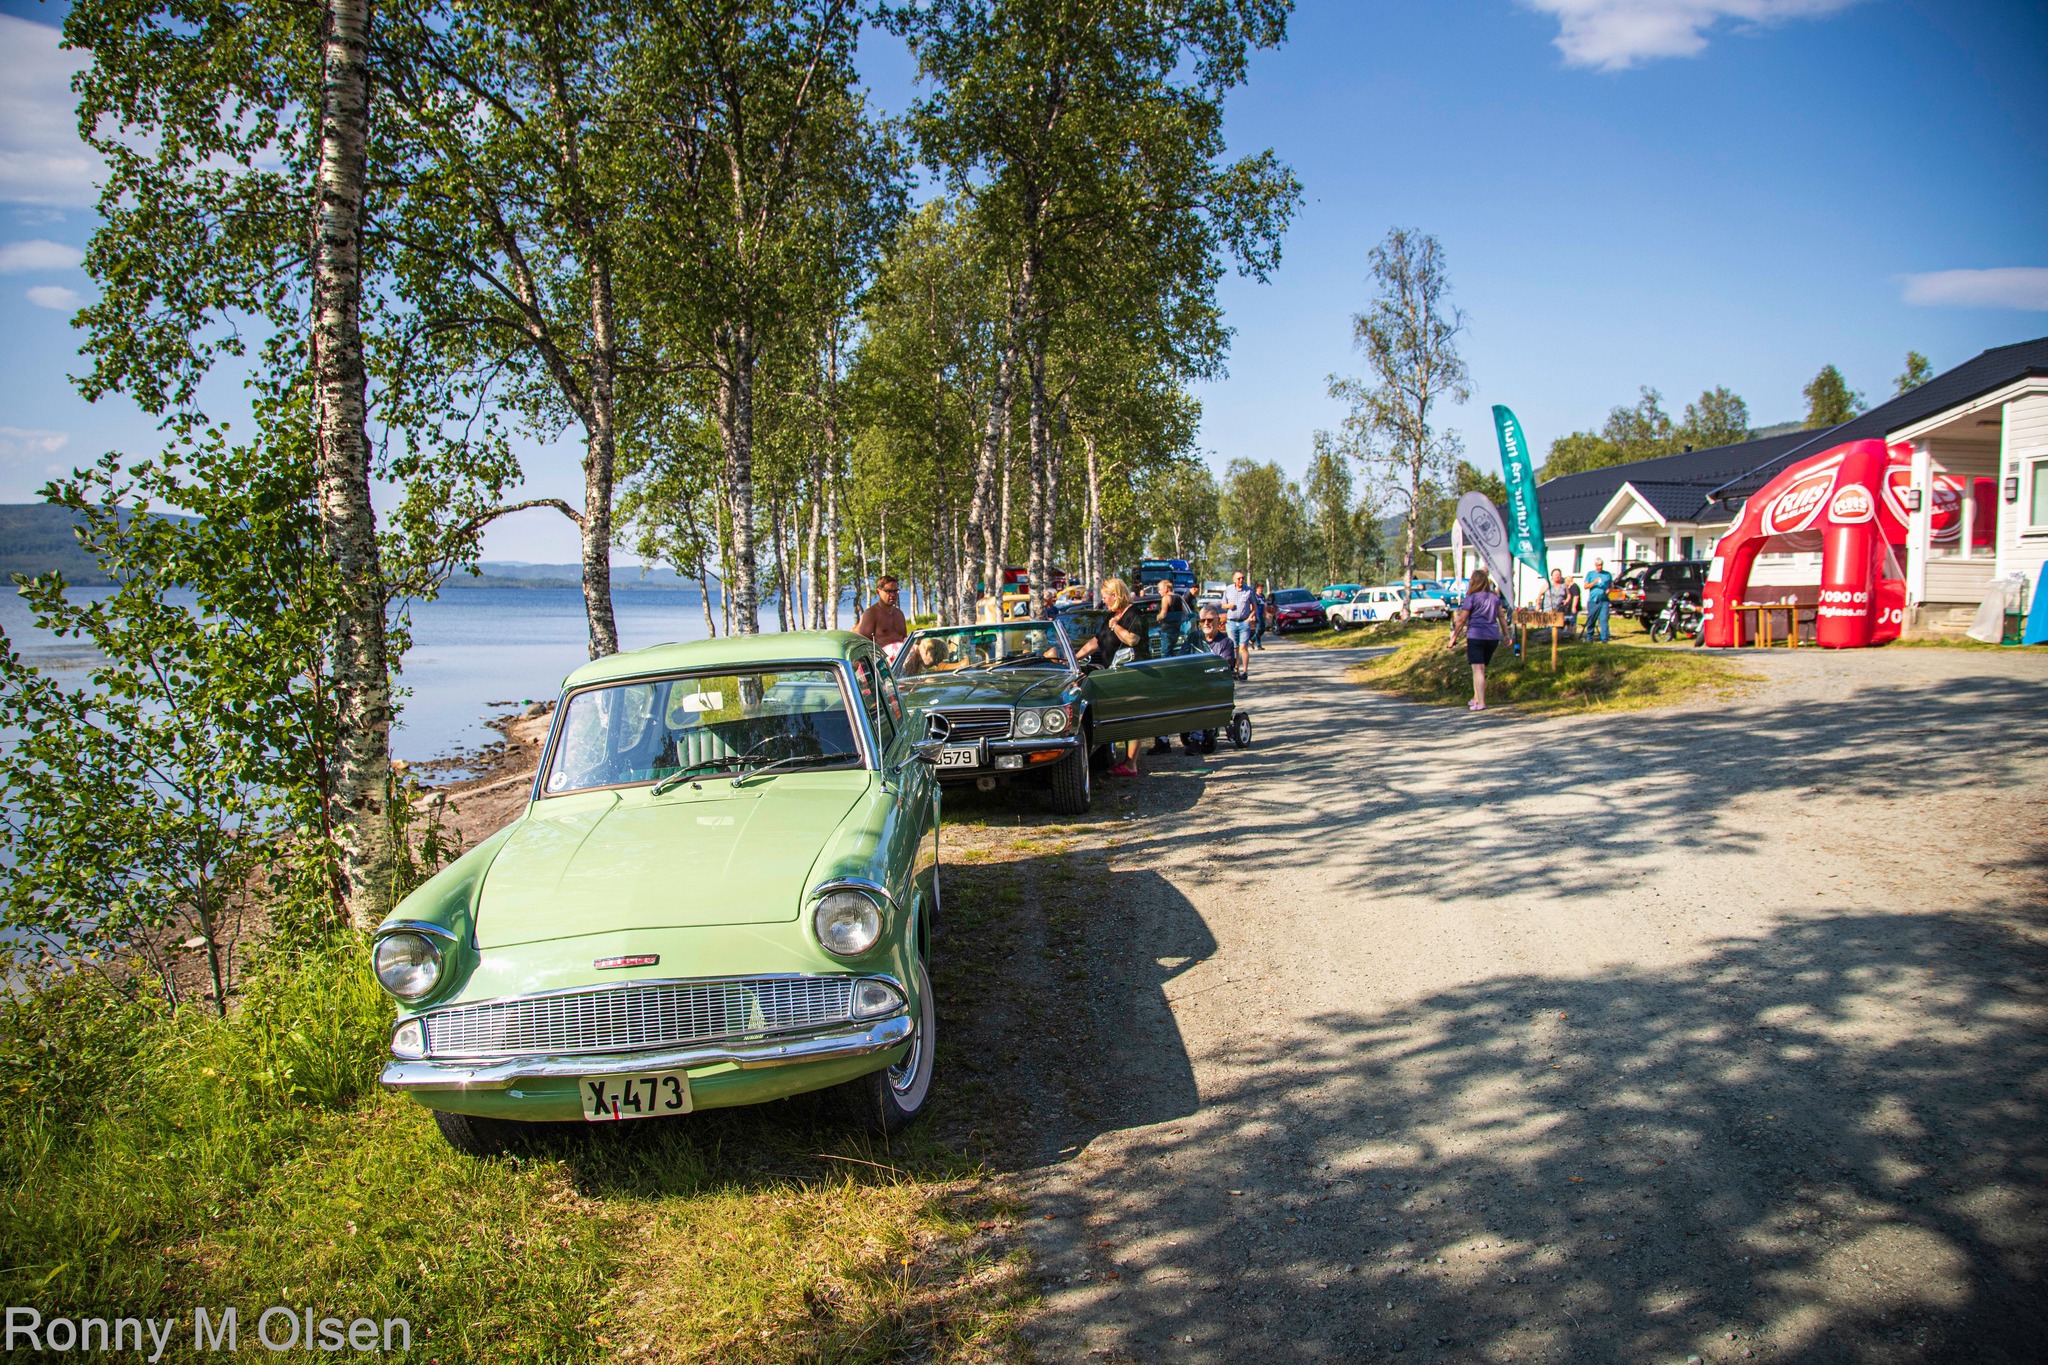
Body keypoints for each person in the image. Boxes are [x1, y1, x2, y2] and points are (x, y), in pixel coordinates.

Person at [1071, 578, 1149, 776]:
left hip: (1132, 674)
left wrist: (1116, 626)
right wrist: (1073, 658)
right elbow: (1096, 641)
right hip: (1114, 673)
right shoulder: (1111, 616)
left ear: (1115, 595)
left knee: (1132, 717)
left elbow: (1132, 639)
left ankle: (1130, 764)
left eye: (1105, 597)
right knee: (1119, 715)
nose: (1104, 601)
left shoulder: (1134, 614)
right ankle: (1118, 760)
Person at [1450, 565, 1506, 711]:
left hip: (1476, 634)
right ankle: (1476, 698)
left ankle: (1481, 702)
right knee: (1481, 668)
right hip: (1493, 636)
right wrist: (1506, 635)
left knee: (1478, 669)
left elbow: (1462, 620)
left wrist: (1454, 637)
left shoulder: (1471, 598)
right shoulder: (1495, 597)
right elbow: (1501, 617)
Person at [1220, 570, 1256, 681]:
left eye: (1242, 578)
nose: (1241, 580)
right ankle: (1236, 670)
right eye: (1239, 578)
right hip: (1231, 622)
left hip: (1244, 622)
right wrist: (1229, 606)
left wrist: (1250, 618)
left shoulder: (1249, 590)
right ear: (1234, 579)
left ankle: (1245, 672)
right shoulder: (1228, 590)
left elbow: (1254, 607)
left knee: (1243, 647)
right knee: (1234, 647)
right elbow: (1223, 605)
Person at [854, 575, 907, 649]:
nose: (892, 595)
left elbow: (904, 638)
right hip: (880, 655)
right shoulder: (871, 614)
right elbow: (862, 644)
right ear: (878, 592)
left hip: (901, 655)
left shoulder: (899, 614)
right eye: (888, 591)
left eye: (895, 591)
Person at [1582, 558, 1614, 643]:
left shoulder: (1607, 574)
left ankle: (1604, 639)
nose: (1600, 567)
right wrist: (1594, 582)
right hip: (1593, 600)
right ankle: (1589, 637)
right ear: (1595, 565)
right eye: (1598, 565)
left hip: (1604, 600)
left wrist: (1609, 589)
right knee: (1591, 619)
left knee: (1604, 619)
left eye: (1601, 565)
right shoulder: (1590, 574)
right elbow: (1585, 586)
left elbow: (1611, 585)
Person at [1156, 577, 1188, 657]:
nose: (1159, 591)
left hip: (1167, 630)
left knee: (1165, 653)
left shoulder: (1165, 598)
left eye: (1159, 589)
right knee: (1171, 651)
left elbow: (1163, 614)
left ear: (1166, 588)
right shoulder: (1178, 597)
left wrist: (1157, 617)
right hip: (1177, 629)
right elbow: (1185, 612)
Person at [1251, 580, 1270, 650]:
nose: (1261, 590)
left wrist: (1266, 614)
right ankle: (1258, 645)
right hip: (1257, 614)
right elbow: (1252, 606)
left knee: (1263, 629)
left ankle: (1252, 640)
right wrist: (1253, 615)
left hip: (1261, 614)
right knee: (1258, 629)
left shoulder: (1263, 596)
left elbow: (1264, 605)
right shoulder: (1254, 596)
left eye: (1262, 588)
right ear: (1256, 588)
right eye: (1259, 588)